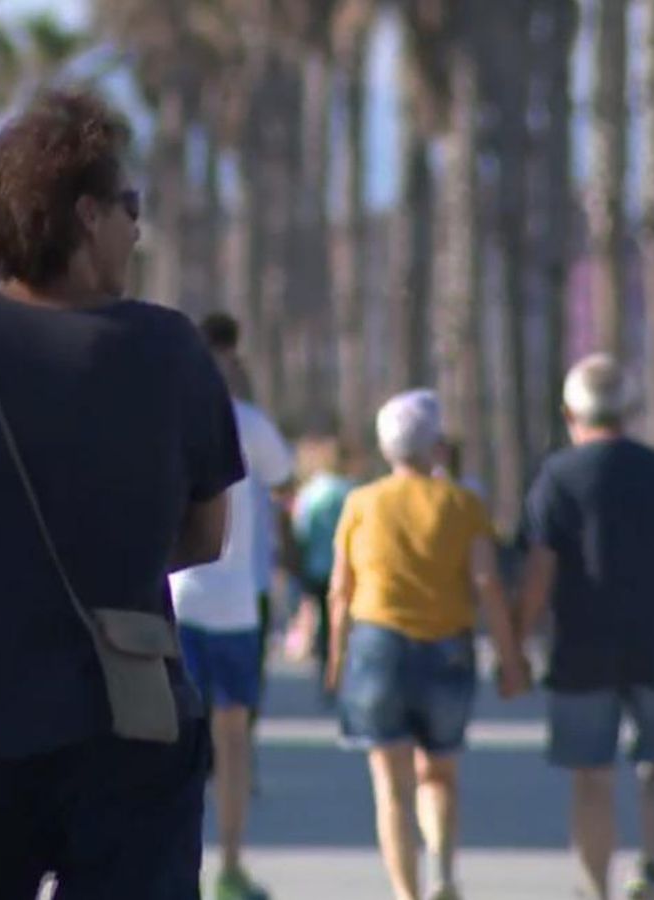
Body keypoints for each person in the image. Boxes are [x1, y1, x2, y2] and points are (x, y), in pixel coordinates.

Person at [0, 90, 241, 899]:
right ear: (87, 214)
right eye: (130, 206)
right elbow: (205, 535)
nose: (137, 228)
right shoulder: (171, 350)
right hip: (129, 718)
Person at [515, 354, 654, 900]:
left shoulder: (557, 478)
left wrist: (515, 643)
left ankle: (596, 887)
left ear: (571, 413)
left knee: (591, 775)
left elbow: (539, 573)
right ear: (631, 412)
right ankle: (652, 865)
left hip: (582, 650)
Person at [326, 390, 528, 900]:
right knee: (439, 774)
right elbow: (487, 583)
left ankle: (407, 894)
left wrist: (335, 660)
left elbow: (340, 591)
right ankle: (442, 868)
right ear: (437, 445)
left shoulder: (362, 503)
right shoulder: (463, 504)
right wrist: (510, 659)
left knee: (391, 787)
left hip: (378, 645)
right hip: (447, 648)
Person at [168, 312, 295, 900]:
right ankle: (231, 867)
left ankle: (180, 869)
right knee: (234, 743)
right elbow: (285, 480)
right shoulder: (249, 422)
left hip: (176, 597)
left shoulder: (167, 419)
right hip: (236, 603)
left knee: (176, 743)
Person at [293, 434, 355, 697]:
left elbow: (301, 530)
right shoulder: (351, 491)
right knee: (343, 621)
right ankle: (341, 671)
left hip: (316, 567)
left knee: (322, 620)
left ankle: (325, 672)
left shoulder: (311, 493)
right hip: (346, 567)